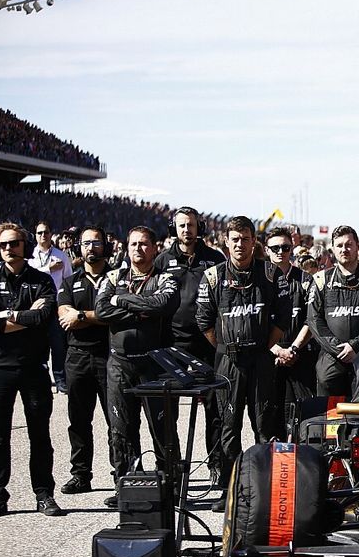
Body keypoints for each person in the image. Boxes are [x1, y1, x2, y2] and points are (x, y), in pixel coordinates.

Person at [196, 216, 291, 512]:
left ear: (254, 241)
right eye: (235, 239)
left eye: (245, 238)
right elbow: (204, 322)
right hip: (228, 362)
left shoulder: (271, 273)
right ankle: (229, 487)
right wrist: (227, 347)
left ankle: (269, 488)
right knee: (228, 426)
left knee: (265, 424)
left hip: (261, 359)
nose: (240, 244)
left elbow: (282, 318)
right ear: (226, 242)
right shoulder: (212, 277)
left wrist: (263, 345)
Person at [95, 226, 180, 508]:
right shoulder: (113, 276)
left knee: (162, 428)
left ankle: (171, 486)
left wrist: (123, 301)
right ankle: (124, 485)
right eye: (133, 244)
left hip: (154, 364)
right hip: (119, 364)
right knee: (120, 428)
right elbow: (103, 311)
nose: (138, 249)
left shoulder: (165, 278)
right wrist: (139, 308)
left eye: (144, 244)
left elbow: (163, 304)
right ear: (126, 247)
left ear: (155, 248)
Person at [0, 222, 61, 517]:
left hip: (34, 367)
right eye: (4, 244)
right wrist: (25, 315)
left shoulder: (42, 280)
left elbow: (44, 316)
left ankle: (44, 494)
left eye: (15, 243)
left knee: (40, 435)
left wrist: (7, 315)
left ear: (25, 244)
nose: (10, 249)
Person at [153, 207, 226, 481]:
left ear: (200, 228)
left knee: (215, 409)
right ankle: (171, 467)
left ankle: (216, 464)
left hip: (208, 345)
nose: (187, 230)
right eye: (182, 225)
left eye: (191, 225)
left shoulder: (215, 259)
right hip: (173, 346)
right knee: (167, 411)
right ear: (174, 228)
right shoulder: (162, 260)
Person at [56, 226, 112, 495]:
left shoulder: (117, 278)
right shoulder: (70, 282)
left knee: (118, 421)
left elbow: (116, 314)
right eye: (86, 243)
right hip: (77, 357)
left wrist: (80, 316)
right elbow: (63, 316)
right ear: (79, 247)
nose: (91, 247)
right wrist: (92, 316)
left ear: (106, 245)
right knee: (78, 421)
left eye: (96, 242)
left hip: (109, 357)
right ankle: (80, 475)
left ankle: (121, 475)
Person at [308, 225, 359, 401]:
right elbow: (313, 320)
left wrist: (355, 345)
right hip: (331, 361)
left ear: (358, 246)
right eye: (339, 245)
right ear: (332, 249)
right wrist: (339, 349)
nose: (344, 249)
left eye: (349, 245)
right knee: (333, 422)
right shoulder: (320, 280)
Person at [264, 227, 317, 431]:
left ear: (292, 248)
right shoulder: (258, 281)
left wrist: (293, 350)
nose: (280, 251)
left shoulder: (306, 280)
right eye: (275, 247)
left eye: (285, 247)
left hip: (300, 355)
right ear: (267, 250)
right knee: (270, 419)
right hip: (270, 356)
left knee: (305, 417)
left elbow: (312, 319)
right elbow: (255, 323)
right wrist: (276, 350)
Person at [29, 221, 72, 393]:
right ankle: (42, 379)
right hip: (38, 303)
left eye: (46, 232)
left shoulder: (60, 256)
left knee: (58, 344)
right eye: (39, 233)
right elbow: (32, 275)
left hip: (55, 303)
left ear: (51, 234)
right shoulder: (30, 256)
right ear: (35, 235)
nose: (43, 236)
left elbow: (68, 278)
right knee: (39, 343)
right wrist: (49, 268)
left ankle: (61, 379)